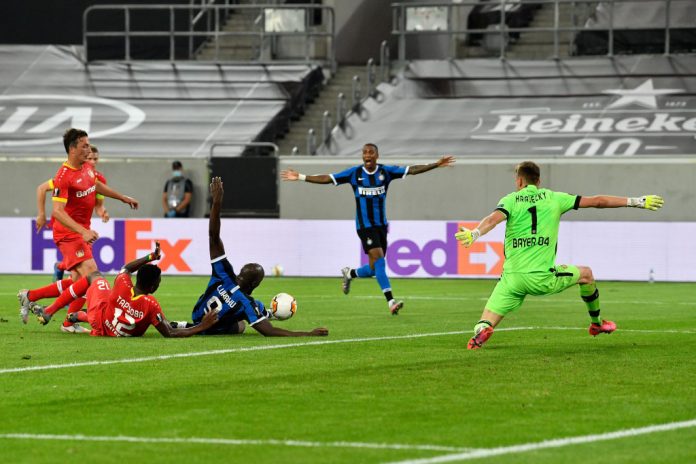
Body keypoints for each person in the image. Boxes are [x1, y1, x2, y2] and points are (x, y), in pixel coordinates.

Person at [455, 161, 664, 350]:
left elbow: (492, 219)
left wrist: (474, 233)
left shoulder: (510, 200)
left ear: (519, 181)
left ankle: (482, 330)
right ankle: (597, 324)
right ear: (538, 181)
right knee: (586, 274)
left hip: (511, 279)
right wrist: (636, 201)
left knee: (486, 320)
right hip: (541, 278)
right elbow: (598, 201)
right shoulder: (555, 198)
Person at [281, 143, 455, 315]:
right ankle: (391, 301)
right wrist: (301, 176)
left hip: (381, 226)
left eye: (371, 152)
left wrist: (436, 164)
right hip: (364, 226)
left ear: (377, 156)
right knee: (379, 260)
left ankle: (350, 273)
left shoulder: (386, 171)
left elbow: (412, 170)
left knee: (373, 269)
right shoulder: (354, 173)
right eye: (365, 152)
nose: (367, 155)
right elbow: (328, 178)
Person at [18, 128, 139, 333]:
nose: (89, 150)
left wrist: (122, 198)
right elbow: (57, 212)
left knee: (78, 281)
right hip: (68, 234)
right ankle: (51, 311)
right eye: (84, 146)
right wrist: (82, 232)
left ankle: (33, 298)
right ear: (72, 149)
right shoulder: (63, 176)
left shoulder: (87, 168)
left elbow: (96, 185)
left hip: (82, 231)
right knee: (93, 277)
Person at [179, 176, 328, 337]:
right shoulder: (246, 303)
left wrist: (216, 202)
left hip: (196, 314)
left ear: (240, 272)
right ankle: (265, 313)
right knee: (241, 325)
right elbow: (269, 331)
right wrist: (308, 333)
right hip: (210, 329)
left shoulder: (223, 274)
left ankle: (265, 313)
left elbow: (214, 236)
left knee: (244, 313)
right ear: (255, 284)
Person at [31, 242, 218, 338]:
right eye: (159, 282)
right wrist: (202, 326)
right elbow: (169, 332)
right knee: (111, 304)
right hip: (109, 330)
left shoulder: (122, 283)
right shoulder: (151, 305)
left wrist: (150, 257)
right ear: (153, 287)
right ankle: (75, 316)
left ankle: (52, 310)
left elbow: (126, 268)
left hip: (99, 320)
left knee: (94, 276)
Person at [35, 144, 109, 283]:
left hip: (83, 227)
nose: (92, 162)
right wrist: (41, 214)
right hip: (67, 226)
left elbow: (98, 206)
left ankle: (60, 269)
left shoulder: (99, 180)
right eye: (90, 158)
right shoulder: (69, 176)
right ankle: (62, 280)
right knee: (84, 272)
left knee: (78, 275)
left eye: (95, 159)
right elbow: (41, 189)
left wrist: (102, 212)